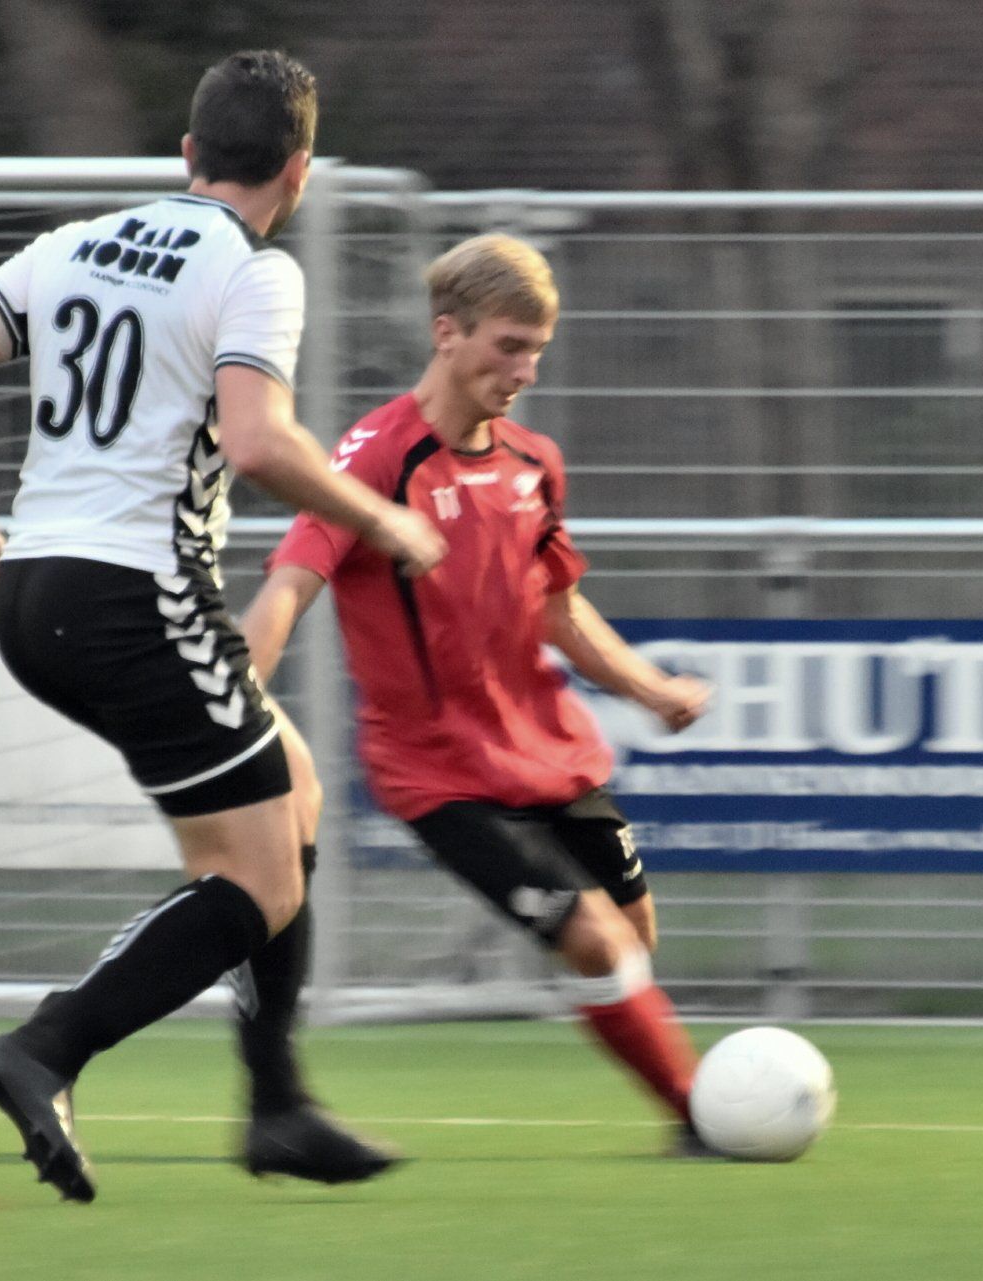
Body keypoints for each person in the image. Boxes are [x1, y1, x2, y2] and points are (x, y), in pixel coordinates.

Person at [0, 49, 444, 1203]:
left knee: (291, 795)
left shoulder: (76, 243)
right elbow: (258, 441)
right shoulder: (252, 271)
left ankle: (278, 1104)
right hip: (134, 596)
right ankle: (47, 1047)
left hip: (35, 593)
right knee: (258, 883)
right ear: (298, 172)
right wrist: (383, 519)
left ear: (189, 154)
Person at [241, 233, 716, 1154]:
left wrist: (650, 689)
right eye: (509, 347)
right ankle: (702, 1116)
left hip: (550, 748)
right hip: (439, 773)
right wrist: (230, 706)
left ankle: (691, 1103)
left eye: (538, 350)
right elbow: (290, 587)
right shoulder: (374, 460)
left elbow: (558, 607)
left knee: (632, 937)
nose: (526, 371)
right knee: (595, 941)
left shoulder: (535, 461)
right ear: (447, 333)